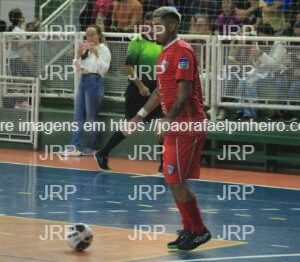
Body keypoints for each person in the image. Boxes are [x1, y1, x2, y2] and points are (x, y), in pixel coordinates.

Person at [131, 6, 211, 250]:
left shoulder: (182, 51)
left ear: (173, 25)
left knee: (175, 178)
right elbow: (160, 91)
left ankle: (199, 230)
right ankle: (189, 229)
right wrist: (140, 115)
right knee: (171, 178)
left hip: (188, 124)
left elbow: (184, 92)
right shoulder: (164, 53)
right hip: (175, 125)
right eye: (151, 26)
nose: (153, 30)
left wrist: (168, 120)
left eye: (159, 25)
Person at [94, 12, 164, 170]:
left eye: (155, 24)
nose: (152, 26)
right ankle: (103, 153)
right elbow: (128, 67)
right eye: (148, 22)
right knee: (132, 126)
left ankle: (164, 164)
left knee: (161, 126)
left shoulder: (161, 42)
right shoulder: (137, 41)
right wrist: (141, 86)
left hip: (157, 92)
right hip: (137, 91)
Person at [60, 25, 111, 157]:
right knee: (78, 115)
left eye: (93, 34)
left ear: (99, 35)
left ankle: (92, 146)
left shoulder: (104, 50)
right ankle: (73, 147)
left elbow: (103, 70)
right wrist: (77, 54)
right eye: (88, 35)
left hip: (94, 81)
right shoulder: (85, 50)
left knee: (92, 117)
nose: (90, 37)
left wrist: (97, 54)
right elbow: (76, 68)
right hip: (83, 80)